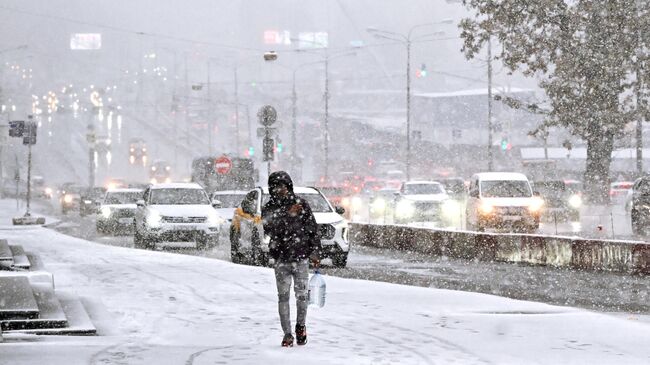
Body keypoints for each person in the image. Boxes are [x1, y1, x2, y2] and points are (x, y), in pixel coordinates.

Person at [262, 171, 321, 347]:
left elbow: (312, 229)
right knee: (283, 296)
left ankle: (300, 326)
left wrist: (315, 252)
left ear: (289, 186)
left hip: (301, 257)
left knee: (302, 296)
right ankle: (287, 334)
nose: (280, 190)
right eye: (276, 187)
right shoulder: (269, 208)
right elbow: (270, 230)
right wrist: (288, 215)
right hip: (281, 258)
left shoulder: (301, 204)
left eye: (283, 186)